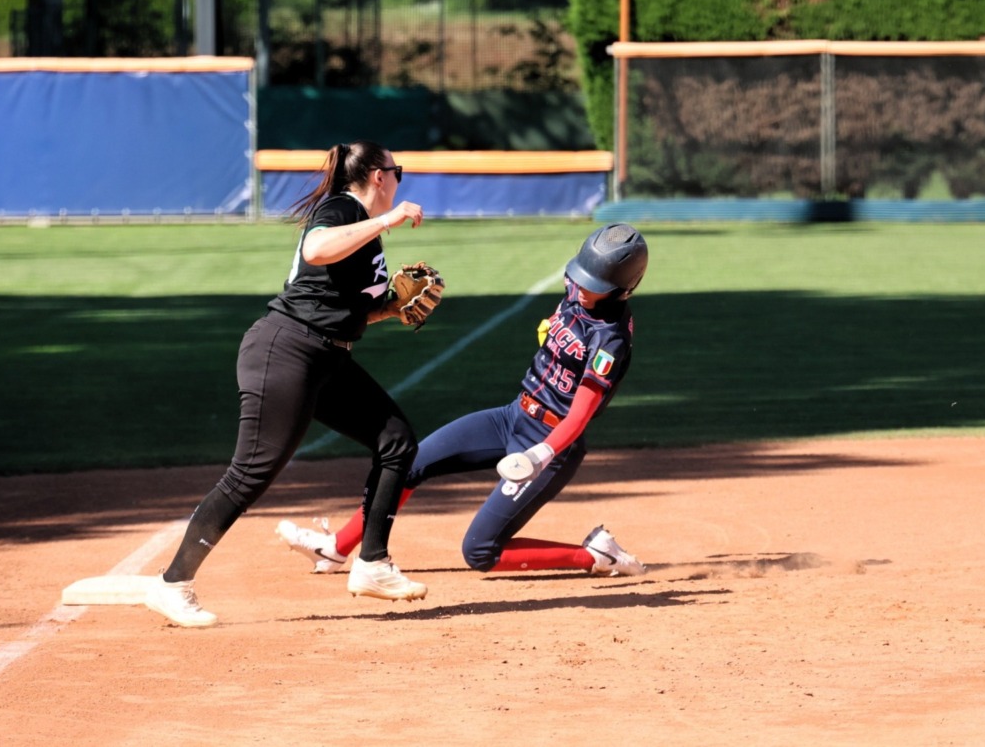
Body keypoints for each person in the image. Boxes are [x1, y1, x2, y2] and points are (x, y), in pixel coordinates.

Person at [145, 140, 432, 628]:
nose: (399, 180)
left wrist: (393, 308)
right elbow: (316, 248)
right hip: (287, 350)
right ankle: (174, 583)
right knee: (250, 474)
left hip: (324, 356)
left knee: (396, 441)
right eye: (396, 170)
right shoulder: (343, 208)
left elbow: (345, 309)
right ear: (379, 177)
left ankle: (373, 565)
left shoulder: (360, 230)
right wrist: (389, 219)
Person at [276, 223, 650, 580]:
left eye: (594, 284)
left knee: (480, 551)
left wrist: (540, 456)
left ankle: (596, 556)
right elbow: (566, 321)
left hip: (552, 444)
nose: (582, 287)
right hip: (513, 415)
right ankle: (336, 548)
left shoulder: (611, 340)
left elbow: (580, 416)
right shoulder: (576, 291)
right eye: (581, 276)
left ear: (622, 289)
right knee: (410, 462)